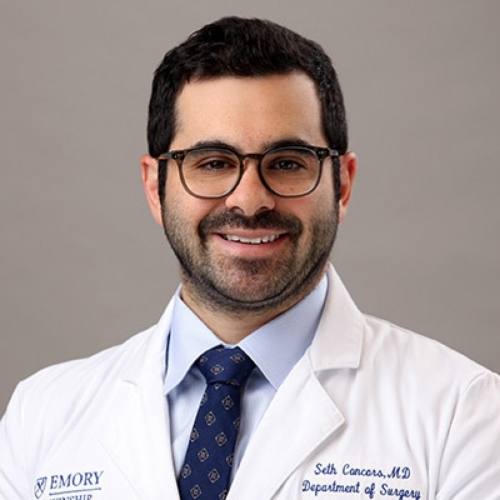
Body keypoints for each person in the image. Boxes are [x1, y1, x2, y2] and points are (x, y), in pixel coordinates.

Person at [1, 16, 499, 500]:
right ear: (155, 187)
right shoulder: (40, 417)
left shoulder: (465, 415)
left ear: (342, 184)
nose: (249, 200)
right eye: (213, 163)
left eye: (287, 163)